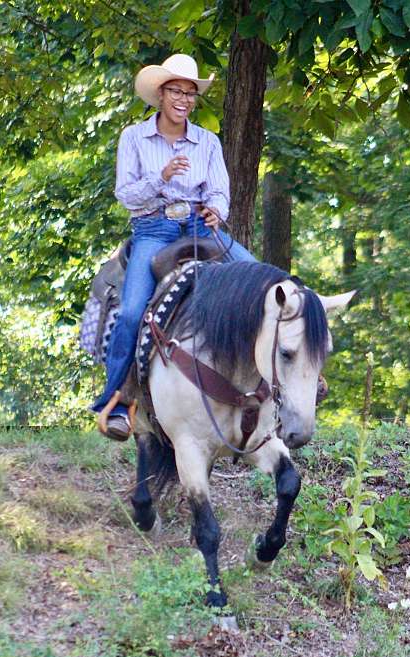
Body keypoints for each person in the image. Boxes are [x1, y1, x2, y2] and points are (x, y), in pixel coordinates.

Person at [92, 53, 257, 441]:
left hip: (200, 227)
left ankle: (271, 394)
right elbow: (127, 194)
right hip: (154, 229)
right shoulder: (134, 138)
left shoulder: (207, 142)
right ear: (160, 96)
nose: (183, 100)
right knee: (132, 311)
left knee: (260, 279)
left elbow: (218, 189)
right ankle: (115, 402)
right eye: (176, 92)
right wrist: (160, 178)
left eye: (190, 94)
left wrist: (217, 209)